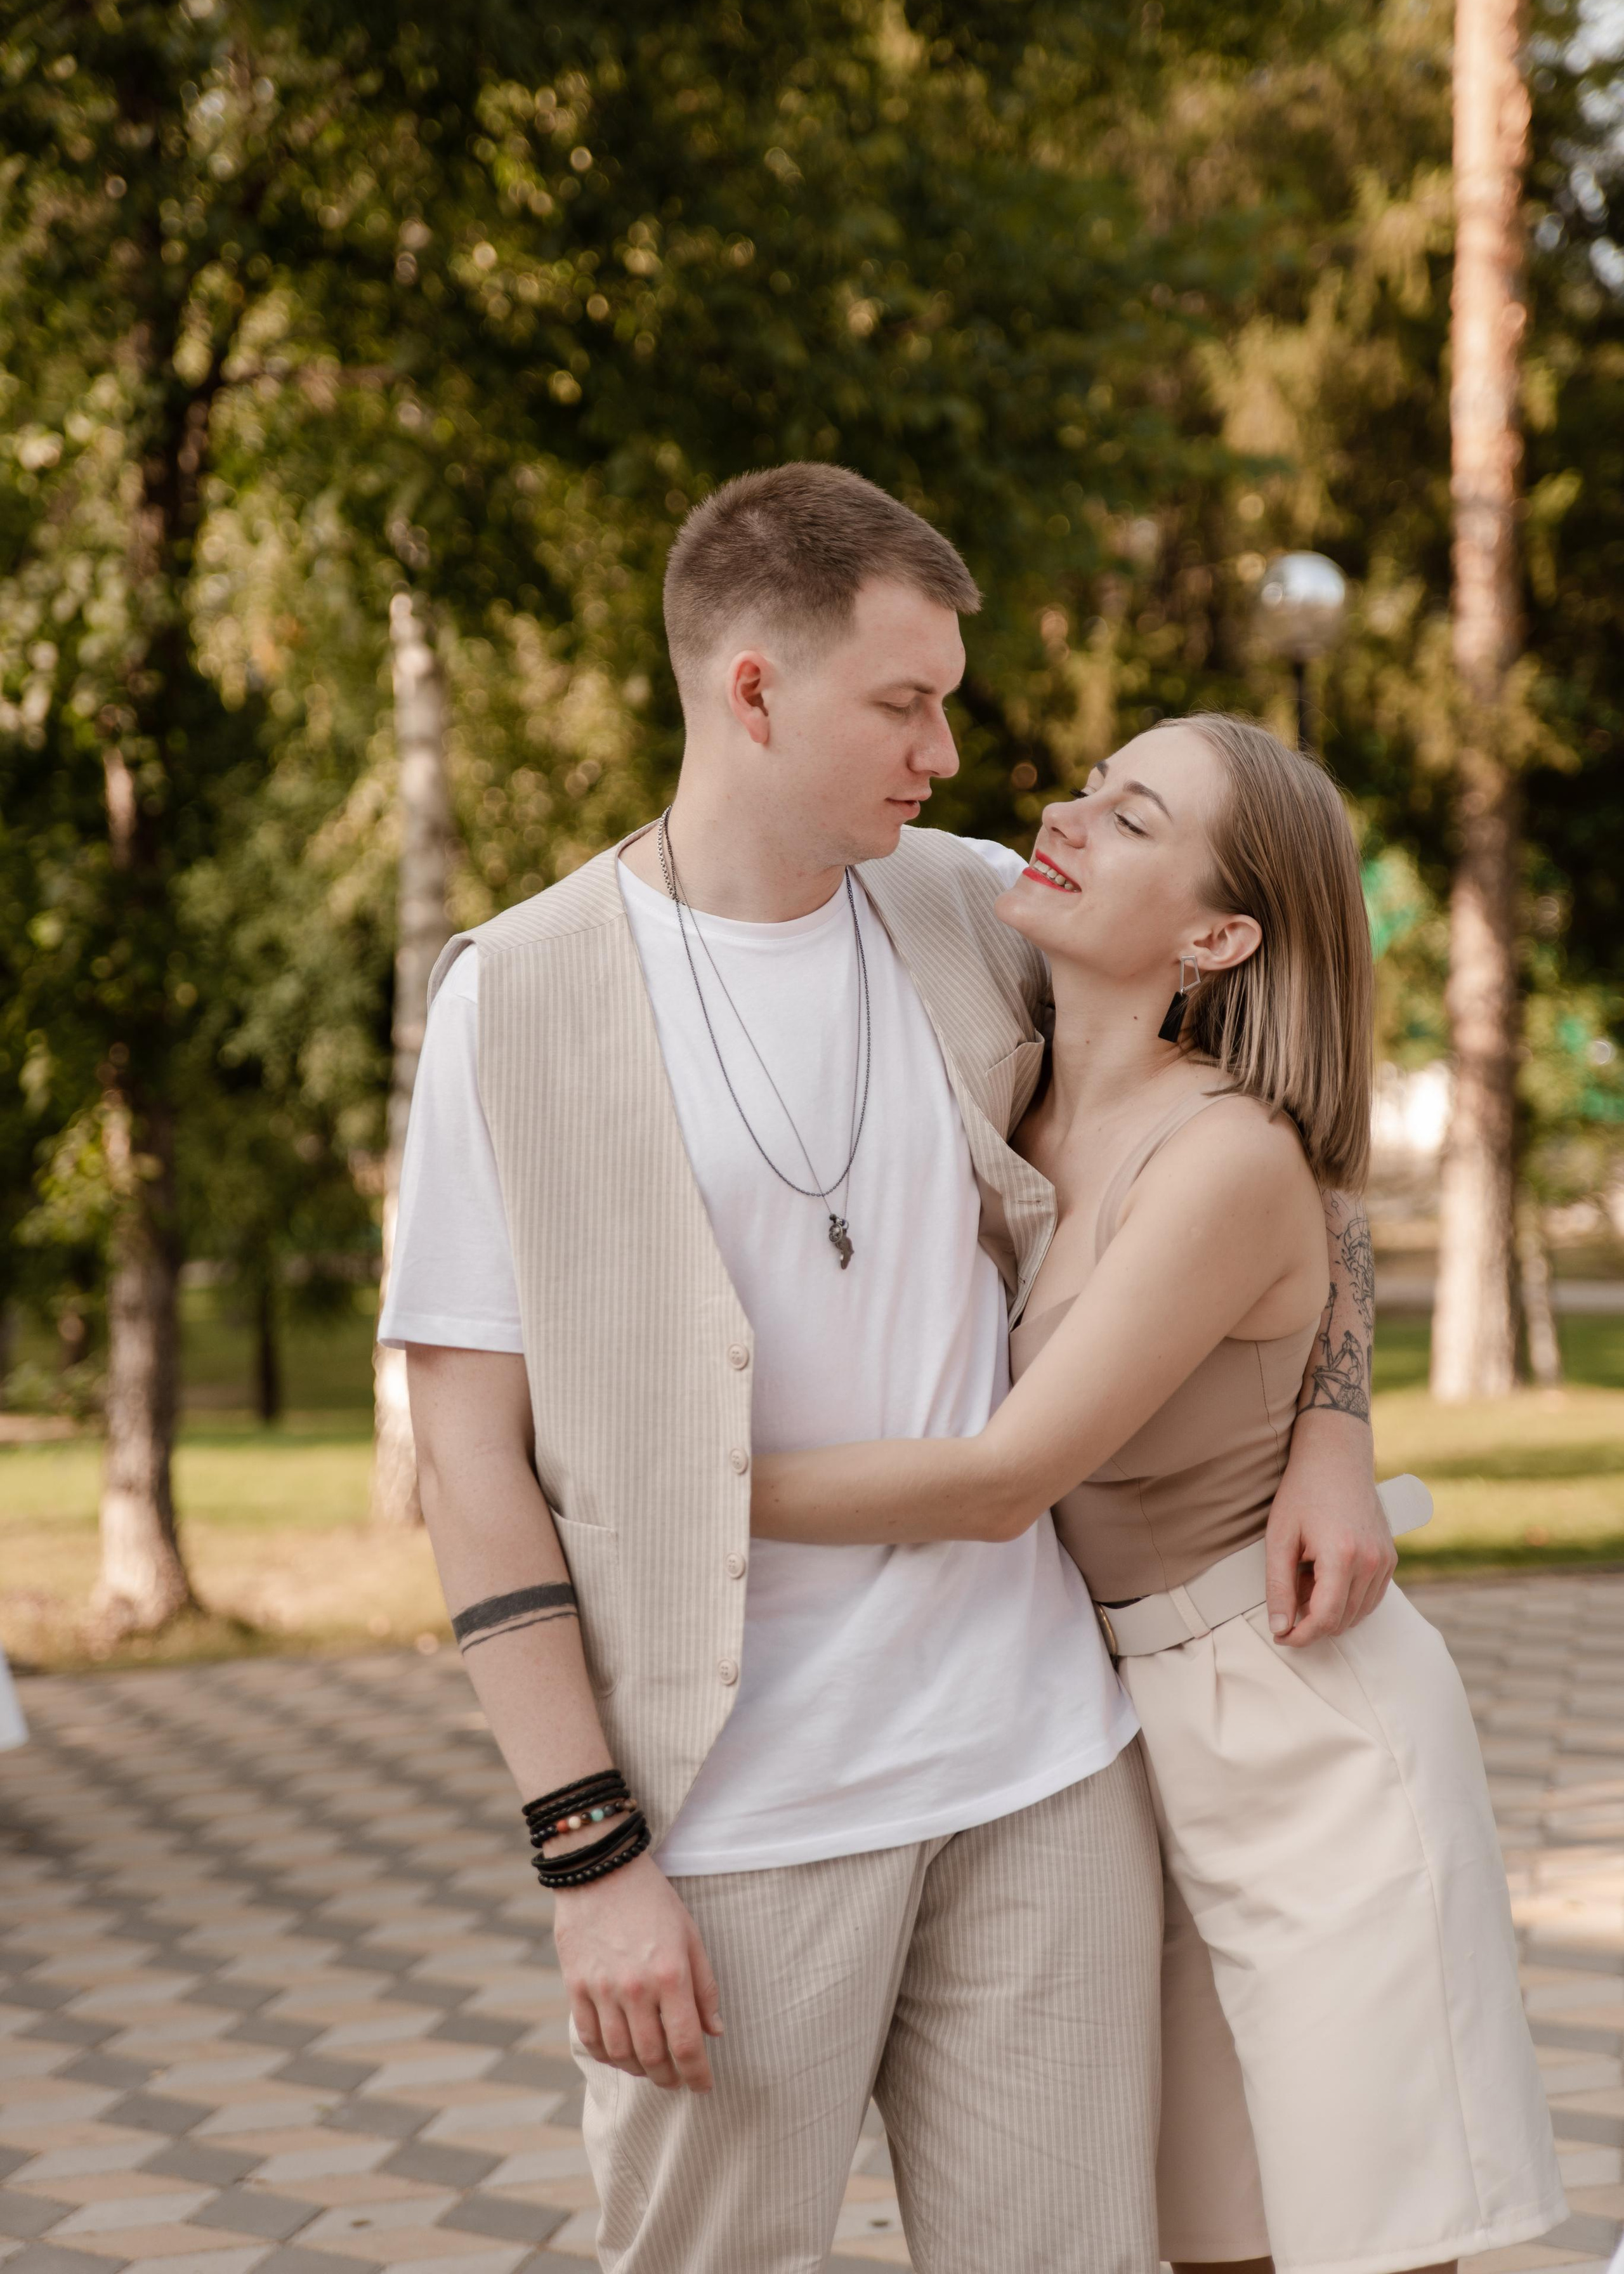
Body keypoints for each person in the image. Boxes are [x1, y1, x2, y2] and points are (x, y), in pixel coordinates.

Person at [378, 464, 1394, 2274]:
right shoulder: (513, 999)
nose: (945, 751)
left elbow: (1287, 1121)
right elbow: (468, 1455)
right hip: (733, 1817)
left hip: (1043, 1778)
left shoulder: (976, 905)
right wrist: (588, 1856)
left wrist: (1333, 1420)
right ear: (754, 688)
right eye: (905, 704)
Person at [750, 710, 1566, 2274]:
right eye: (1088, 784)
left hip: (1300, 1720)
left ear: (1216, 933)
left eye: (1131, 818)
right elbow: (1338, 1211)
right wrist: (1336, 1418)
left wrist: (660, 1488)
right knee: (1208, 2243)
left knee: (1365, 2248)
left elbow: (1001, 1479)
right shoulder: (1010, 1061)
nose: (1062, 814)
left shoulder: (1219, 1154)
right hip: (1109, 1732)